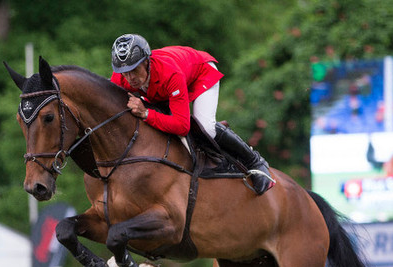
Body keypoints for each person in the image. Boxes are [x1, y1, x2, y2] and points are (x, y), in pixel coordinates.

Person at [110, 34, 275, 195]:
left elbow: (182, 127)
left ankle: (255, 162)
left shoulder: (169, 73)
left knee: (205, 126)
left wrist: (146, 113)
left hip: (201, 72)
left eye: (134, 69)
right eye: (125, 72)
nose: (130, 77)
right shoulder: (120, 77)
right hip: (170, 84)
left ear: (146, 62)